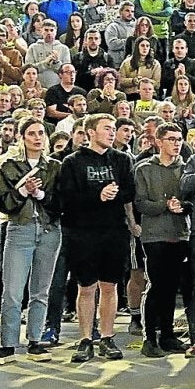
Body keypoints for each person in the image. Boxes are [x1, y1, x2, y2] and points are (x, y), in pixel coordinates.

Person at [55, 113, 136, 363]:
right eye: (107, 129)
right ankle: (85, 339)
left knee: (110, 286)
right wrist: (97, 196)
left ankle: (107, 337)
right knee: (86, 287)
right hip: (82, 232)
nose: (112, 133)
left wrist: (116, 193)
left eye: (113, 129)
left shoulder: (122, 159)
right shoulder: (72, 162)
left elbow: (131, 191)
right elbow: (65, 199)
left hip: (113, 231)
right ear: (90, 132)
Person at [0, 119, 62, 364]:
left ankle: (35, 341)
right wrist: (22, 191)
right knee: (12, 291)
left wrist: (39, 194)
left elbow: (60, 203)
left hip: (48, 230)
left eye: (41, 133)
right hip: (19, 228)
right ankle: (8, 344)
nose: (37, 138)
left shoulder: (55, 167)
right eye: (31, 133)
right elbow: (2, 203)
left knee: (41, 290)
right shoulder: (9, 167)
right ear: (22, 137)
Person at [134, 122, 191, 357]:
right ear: (158, 141)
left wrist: (183, 206)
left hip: (180, 234)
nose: (176, 143)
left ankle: (168, 335)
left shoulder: (186, 168)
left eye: (179, 139)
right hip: (154, 235)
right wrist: (164, 206)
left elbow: (192, 200)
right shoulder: (143, 169)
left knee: (170, 287)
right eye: (171, 139)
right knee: (156, 286)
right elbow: (140, 203)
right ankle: (149, 337)